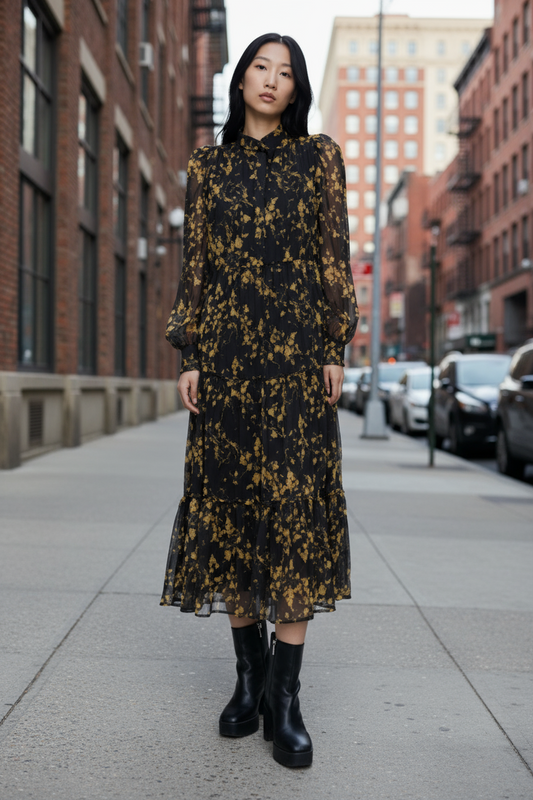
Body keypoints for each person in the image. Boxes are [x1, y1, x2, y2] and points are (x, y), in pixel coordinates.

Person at [161, 32, 358, 768]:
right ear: (240, 80)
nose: (270, 80)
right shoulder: (207, 168)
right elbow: (198, 267)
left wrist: (334, 344)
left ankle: (286, 698)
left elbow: (331, 256)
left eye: (284, 72)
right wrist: (191, 352)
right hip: (228, 364)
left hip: (296, 364)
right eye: (259, 68)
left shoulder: (318, 158)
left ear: (294, 88)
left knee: (293, 516)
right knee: (231, 511)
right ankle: (247, 681)